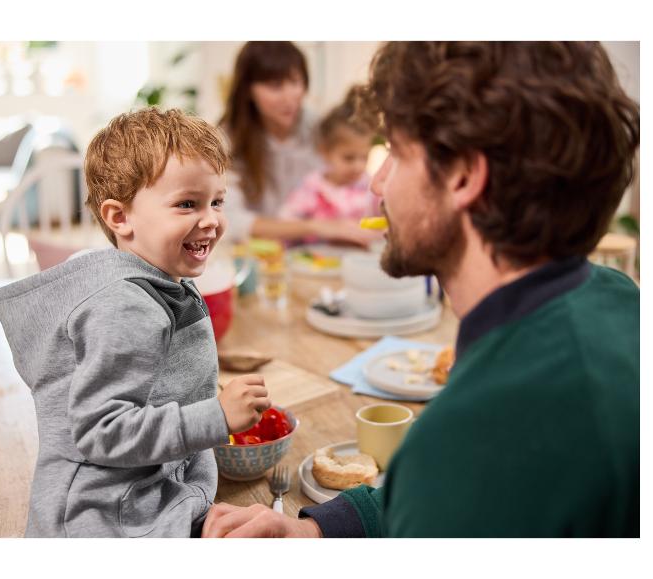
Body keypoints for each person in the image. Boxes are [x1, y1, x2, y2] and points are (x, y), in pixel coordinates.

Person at [203, 41, 640, 538]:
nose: (377, 185)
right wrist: (319, 532)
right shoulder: (617, 295)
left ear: (463, 176)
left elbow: (459, 472)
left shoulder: (463, 436)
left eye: (393, 151)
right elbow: (476, 485)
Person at [0, 107, 271, 537]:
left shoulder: (153, 273)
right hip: (107, 513)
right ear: (119, 218)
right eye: (187, 204)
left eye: (216, 201)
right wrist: (214, 416)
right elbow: (101, 431)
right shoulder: (124, 308)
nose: (212, 219)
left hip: (141, 486)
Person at [220, 41, 378, 247]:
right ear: (248, 90)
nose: (290, 97)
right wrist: (315, 226)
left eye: (296, 82)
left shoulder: (318, 128)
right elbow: (230, 220)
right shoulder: (225, 140)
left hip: (317, 256)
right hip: (258, 255)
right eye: (275, 86)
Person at [278, 86, 380, 232]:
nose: (359, 166)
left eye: (365, 157)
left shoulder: (371, 186)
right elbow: (285, 222)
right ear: (325, 152)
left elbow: (389, 216)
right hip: (319, 254)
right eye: (348, 158)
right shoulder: (313, 187)